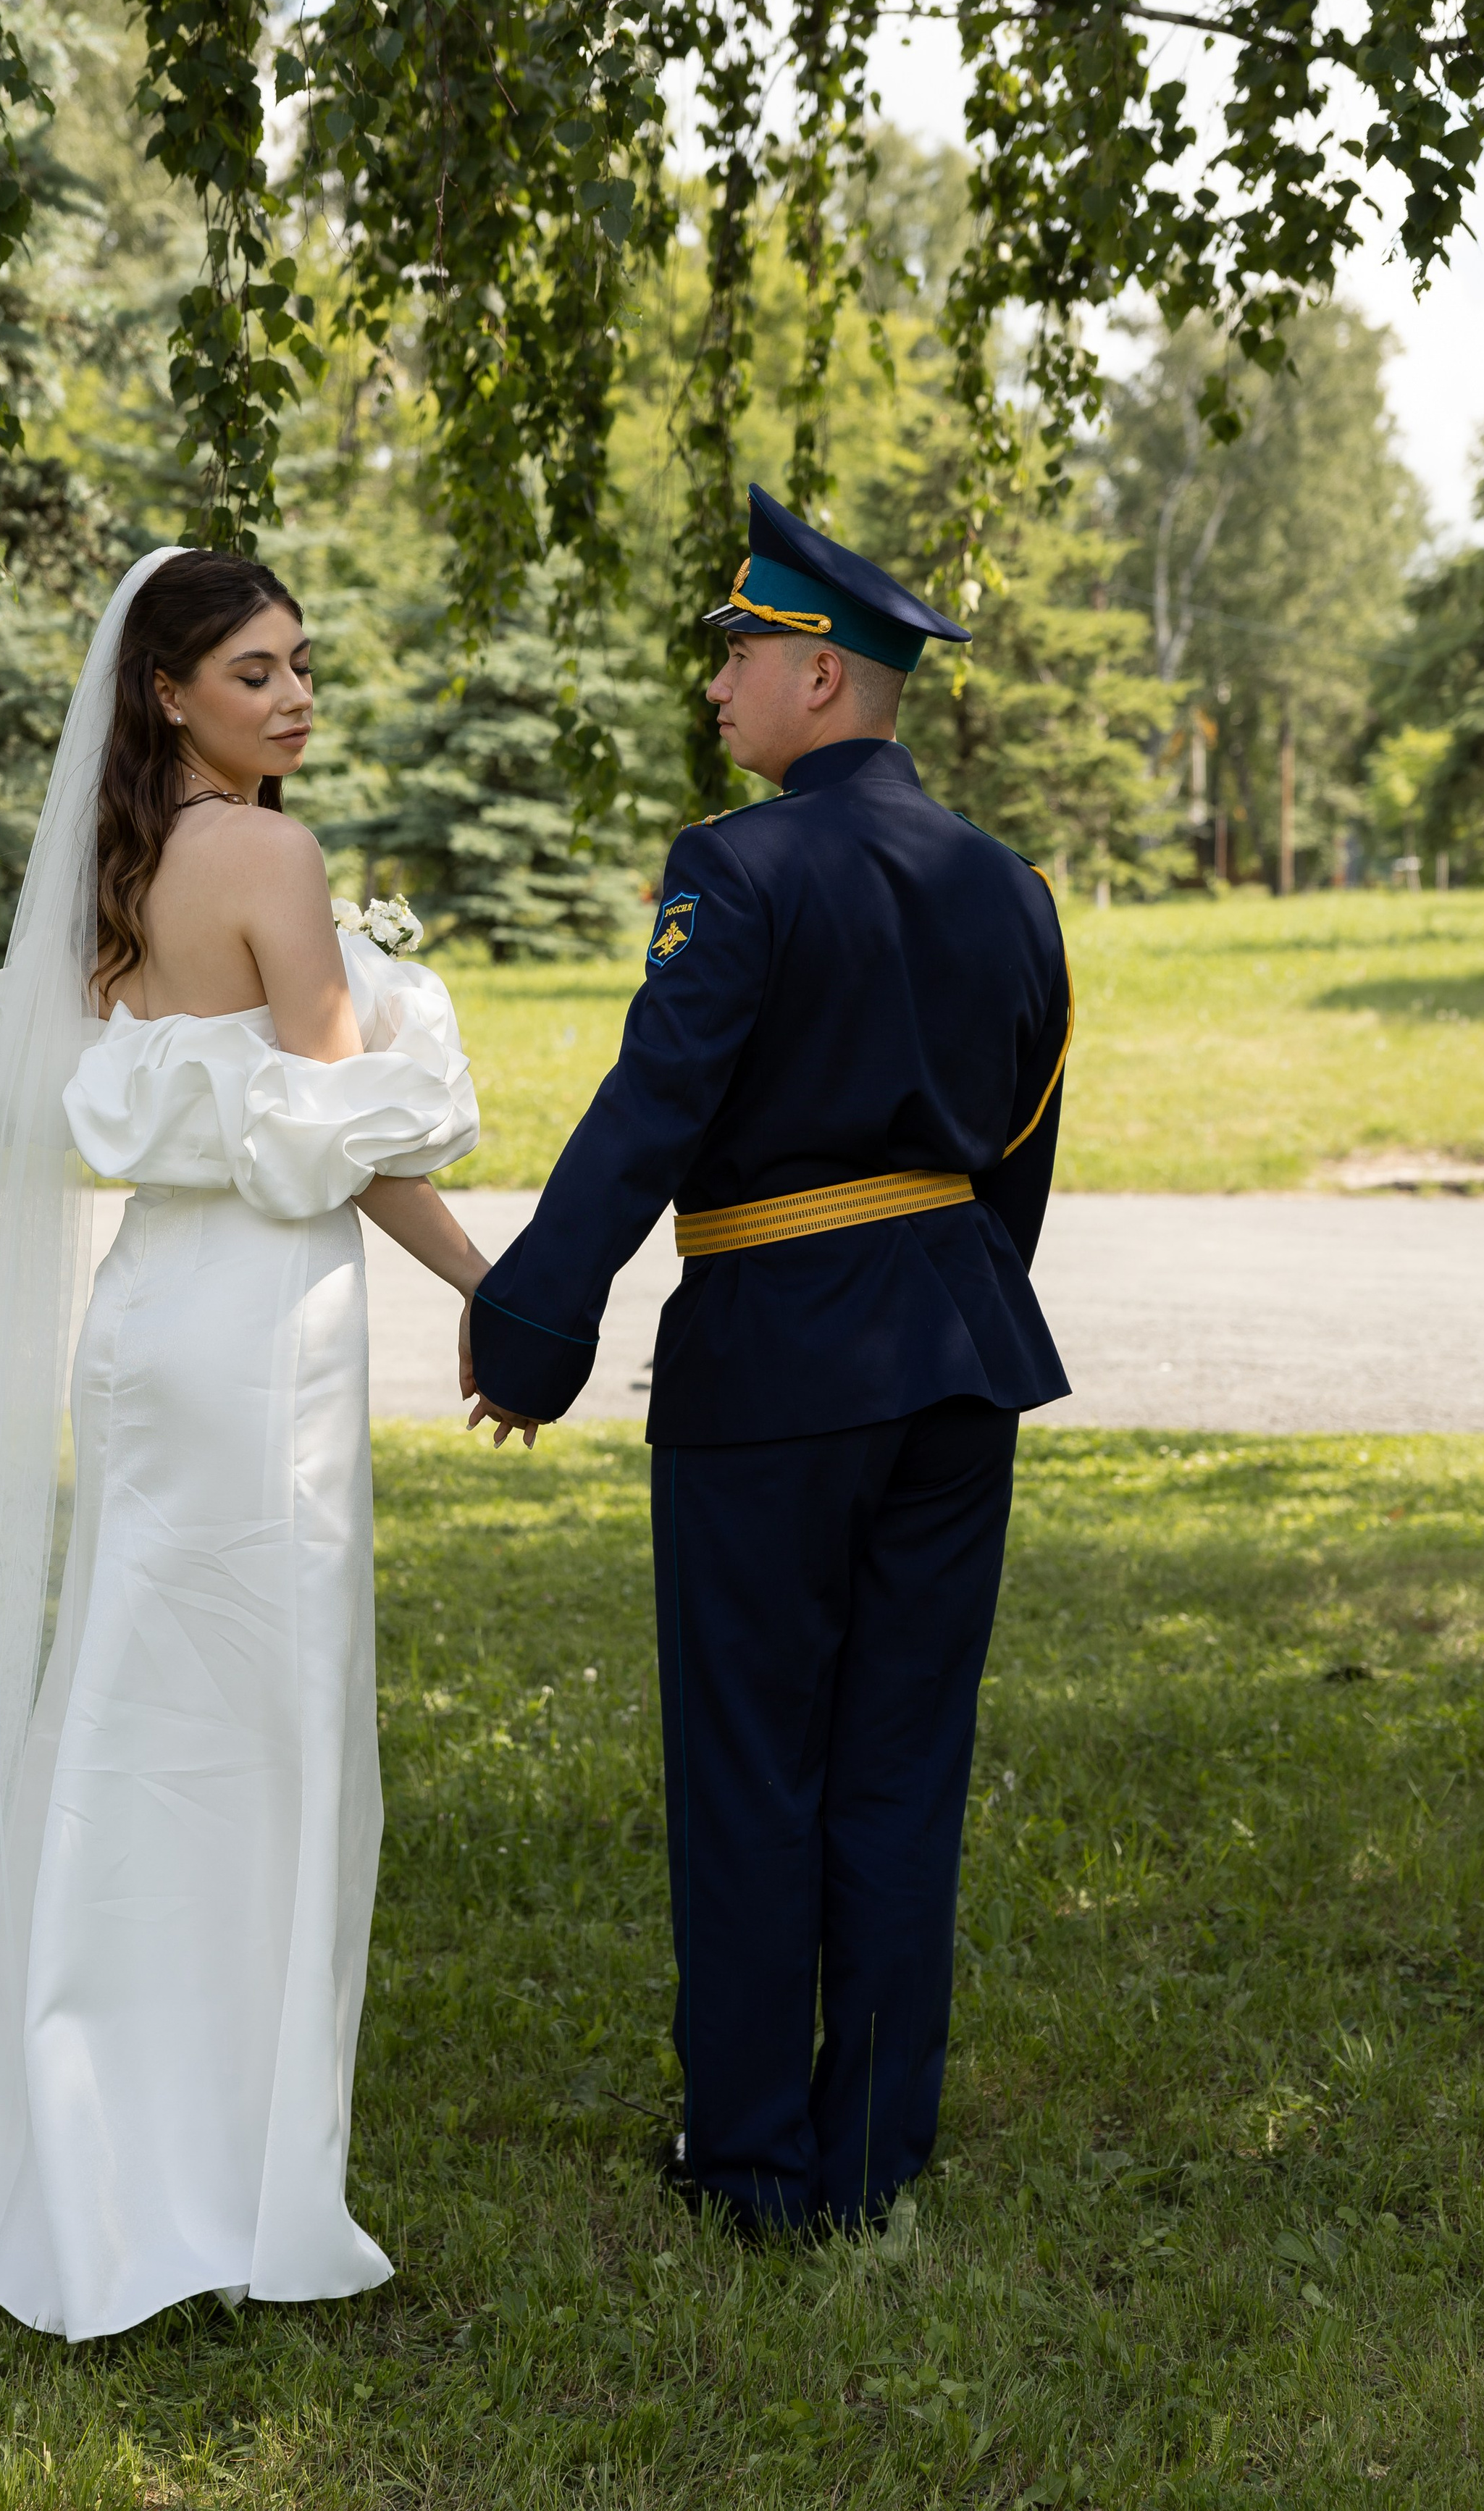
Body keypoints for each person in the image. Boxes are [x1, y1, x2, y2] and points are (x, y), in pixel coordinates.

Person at [0, 548, 492, 2341]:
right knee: (257, 1730)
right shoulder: (273, 857)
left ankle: (63, 2144)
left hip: (147, 1325)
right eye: (253, 673)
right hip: (259, 1336)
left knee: (128, 1714)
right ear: (167, 693)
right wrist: (492, 1286)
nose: (293, 697)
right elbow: (344, 1128)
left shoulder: (109, 867)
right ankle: (213, 2181)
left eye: (302, 664)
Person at [462, 485, 1072, 2239]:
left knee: (751, 1763)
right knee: (898, 1757)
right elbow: (1011, 1157)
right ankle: (872, 2147)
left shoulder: (734, 867)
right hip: (955, 1358)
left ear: (819, 675)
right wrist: (938, 1306)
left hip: (772, 1366)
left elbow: (651, 1113)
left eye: (738, 651)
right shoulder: (1007, 885)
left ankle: (745, 2160)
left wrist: (530, 1324)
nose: (716, 683)